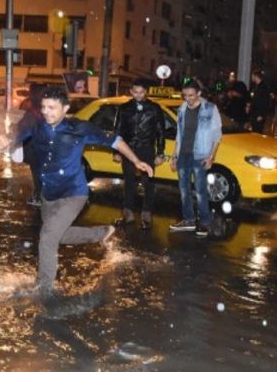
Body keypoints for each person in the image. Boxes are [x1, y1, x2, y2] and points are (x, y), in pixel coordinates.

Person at [13, 87, 153, 294]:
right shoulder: (38, 126)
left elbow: (116, 140)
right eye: (44, 107)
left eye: (52, 108)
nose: (47, 112)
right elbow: (18, 135)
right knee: (58, 236)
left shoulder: (79, 128)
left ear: (65, 108)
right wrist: (6, 142)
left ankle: (44, 287)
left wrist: (136, 160)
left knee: (48, 237)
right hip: (49, 194)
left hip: (74, 192)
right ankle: (102, 233)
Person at [168, 79, 222, 237]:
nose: (188, 99)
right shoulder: (182, 109)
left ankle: (205, 222)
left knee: (200, 190)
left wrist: (211, 157)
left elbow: (217, 136)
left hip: (200, 155)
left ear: (199, 93)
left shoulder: (210, 109)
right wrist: (174, 156)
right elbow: (179, 134)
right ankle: (189, 220)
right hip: (183, 154)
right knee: (184, 190)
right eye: (185, 95)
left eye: (191, 95)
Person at [113, 78, 166, 229]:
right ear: (131, 92)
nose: (138, 95)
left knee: (148, 181)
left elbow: (160, 132)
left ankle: (147, 213)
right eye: (135, 92)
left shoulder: (155, 108)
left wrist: (160, 153)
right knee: (129, 181)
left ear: (146, 92)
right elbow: (117, 130)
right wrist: (116, 151)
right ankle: (128, 213)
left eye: (141, 92)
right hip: (128, 148)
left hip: (147, 148)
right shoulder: (124, 108)